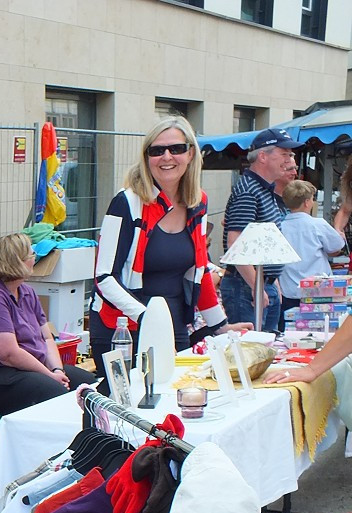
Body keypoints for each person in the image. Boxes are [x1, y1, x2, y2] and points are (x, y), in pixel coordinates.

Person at [90, 116, 245, 382]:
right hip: (123, 329)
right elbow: (104, 278)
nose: (166, 157)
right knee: (132, 412)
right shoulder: (126, 203)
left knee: (176, 405)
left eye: (176, 148)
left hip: (175, 326)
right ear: (146, 157)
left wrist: (221, 327)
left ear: (191, 153)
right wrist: (149, 319)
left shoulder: (198, 202)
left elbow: (199, 269)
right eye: (156, 150)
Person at [0, 233, 95, 413]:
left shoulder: (27, 292)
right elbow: (9, 354)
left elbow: (47, 338)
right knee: (57, 395)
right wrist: (49, 376)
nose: (34, 258)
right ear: (17, 262)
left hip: (24, 369)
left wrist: (57, 370)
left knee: (91, 386)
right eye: (31, 255)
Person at [221, 127, 304, 332]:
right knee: (252, 349)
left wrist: (271, 283)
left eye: (291, 154)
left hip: (259, 283)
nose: (290, 160)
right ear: (263, 157)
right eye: (284, 154)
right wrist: (256, 287)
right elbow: (235, 243)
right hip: (247, 286)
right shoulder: (249, 191)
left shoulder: (262, 189)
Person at [277, 179, 345, 325]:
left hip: (288, 291)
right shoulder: (317, 224)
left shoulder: (279, 226)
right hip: (318, 291)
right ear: (307, 202)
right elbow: (336, 247)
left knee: (289, 330)